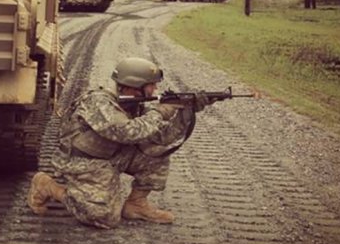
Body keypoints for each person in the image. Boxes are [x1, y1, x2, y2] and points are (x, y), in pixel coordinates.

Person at [27, 57, 211, 229]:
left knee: (157, 152)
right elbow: (127, 133)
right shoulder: (98, 103)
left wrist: (185, 113)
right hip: (86, 163)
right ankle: (49, 186)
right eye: (151, 85)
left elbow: (161, 137)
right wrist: (159, 112)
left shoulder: (133, 103)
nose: (155, 90)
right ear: (135, 85)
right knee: (103, 216)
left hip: (113, 155)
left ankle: (136, 205)